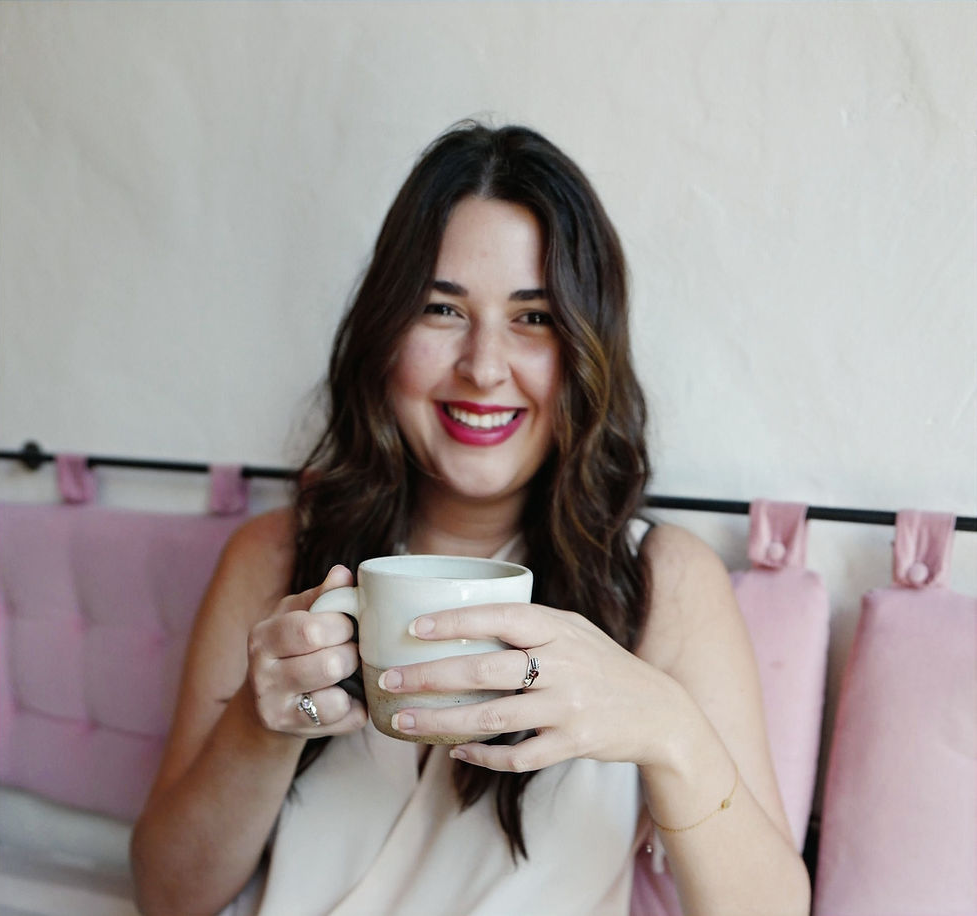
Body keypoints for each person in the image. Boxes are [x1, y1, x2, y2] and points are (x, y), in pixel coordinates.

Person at [130, 122, 810, 916]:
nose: (484, 368)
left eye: (534, 317)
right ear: (385, 332)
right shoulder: (277, 555)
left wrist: (670, 730)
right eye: (441, 309)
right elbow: (166, 897)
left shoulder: (662, 580)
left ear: (588, 350)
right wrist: (260, 720)